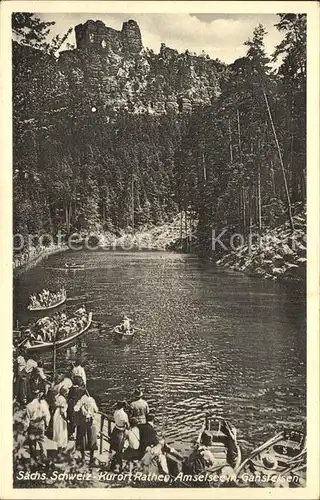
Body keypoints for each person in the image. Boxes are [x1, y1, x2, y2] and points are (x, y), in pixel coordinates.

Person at [74, 393, 99, 465]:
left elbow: (75, 408)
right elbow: (96, 410)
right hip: (91, 422)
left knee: (82, 439)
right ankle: (91, 458)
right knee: (92, 439)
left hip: (83, 422)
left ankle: (83, 458)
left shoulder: (81, 400)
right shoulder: (92, 400)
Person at [25, 390, 51, 460]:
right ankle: (44, 456)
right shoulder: (43, 403)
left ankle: (33, 458)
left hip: (32, 424)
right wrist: (47, 424)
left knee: (32, 442)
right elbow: (47, 415)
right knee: (42, 441)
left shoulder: (28, 406)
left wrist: (25, 428)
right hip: (41, 424)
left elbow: (27, 419)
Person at [52, 387, 68, 451]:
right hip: (60, 416)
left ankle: (59, 446)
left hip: (56, 414)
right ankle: (61, 446)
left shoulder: (58, 397)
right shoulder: (63, 399)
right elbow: (62, 411)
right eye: (66, 392)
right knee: (62, 430)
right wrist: (66, 419)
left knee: (58, 430)